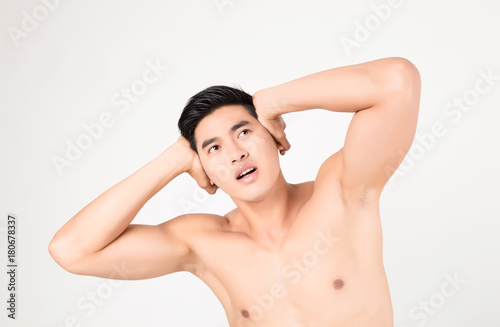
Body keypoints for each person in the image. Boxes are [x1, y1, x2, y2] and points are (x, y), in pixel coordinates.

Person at [49, 57, 421, 326]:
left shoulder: (342, 193)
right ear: (204, 168)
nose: (236, 153)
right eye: (213, 148)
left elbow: (396, 80)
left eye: (244, 132)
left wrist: (272, 102)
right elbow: (72, 250)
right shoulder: (202, 243)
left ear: (274, 138)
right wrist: (175, 157)